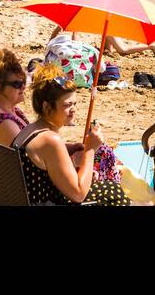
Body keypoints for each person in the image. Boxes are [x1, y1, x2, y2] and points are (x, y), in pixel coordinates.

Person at [10, 64, 128, 205]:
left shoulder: (31, 129)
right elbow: (78, 195)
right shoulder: (50, 139)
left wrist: (66, 149)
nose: (74, 110)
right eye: (67, 105)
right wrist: (90, 150)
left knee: (108, 188)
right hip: (46, 202)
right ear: (47, 107)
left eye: (75, 104)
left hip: (33, 199)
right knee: (115, 192)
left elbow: (40, 162)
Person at [0, 49, 29, 147]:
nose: (23, 87)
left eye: (24, 81)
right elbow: (30, 154)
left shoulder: (7, 111)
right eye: (17, 84)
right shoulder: (4, 123)